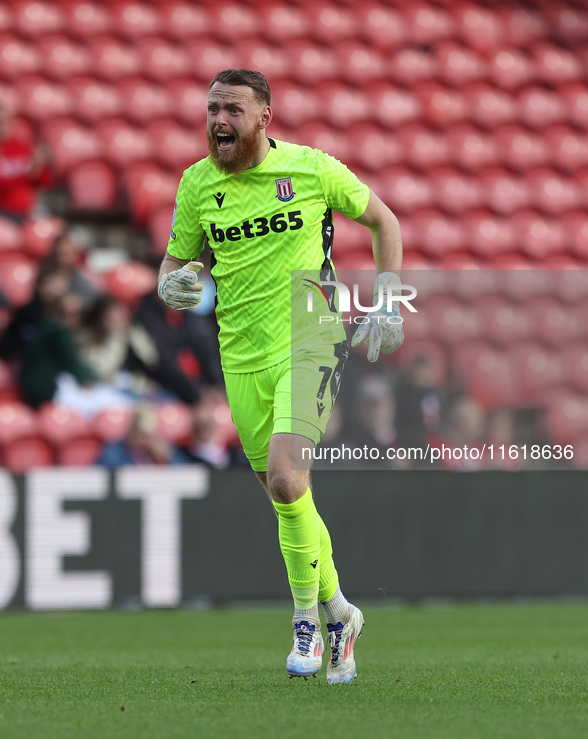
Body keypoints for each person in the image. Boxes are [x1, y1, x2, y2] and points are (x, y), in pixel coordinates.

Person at [157, 69, 404, 684]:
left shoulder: (313, 169)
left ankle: (305, 623)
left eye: (232, 109)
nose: (218, 120)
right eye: (212, 108)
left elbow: (384, 223)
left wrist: (390, 299)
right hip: (239, 355)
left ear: (264, 115)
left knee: (290, 481)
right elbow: (175, 263)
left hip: (311, 337)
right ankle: (340, 610)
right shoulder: (197, 184)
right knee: (285, 493)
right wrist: (171, 283)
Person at [0, 99, 52, 221]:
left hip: (26, 210)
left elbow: (43, 183)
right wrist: (23, 175)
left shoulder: (22, 147)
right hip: (3, 212)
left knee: (53, 229)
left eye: (4, 122)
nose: (2, 126)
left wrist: (39, 167)